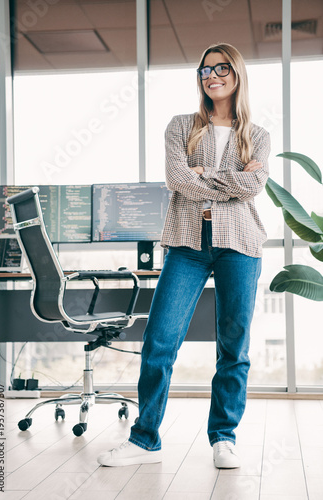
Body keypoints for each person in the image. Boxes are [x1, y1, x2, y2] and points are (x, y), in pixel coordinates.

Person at [97, 42, 270, 469]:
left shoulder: (258, 136)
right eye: (204, 70)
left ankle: (223, 438)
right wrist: (226, 180)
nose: (211, 76)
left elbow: (255, 186)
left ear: (237, 73)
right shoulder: (180, 126)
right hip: (187, 244)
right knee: (160, 340)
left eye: (221, 68)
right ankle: (145, 440)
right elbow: (177, 179)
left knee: (234, 346)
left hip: (240, 245)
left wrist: (203, 175)